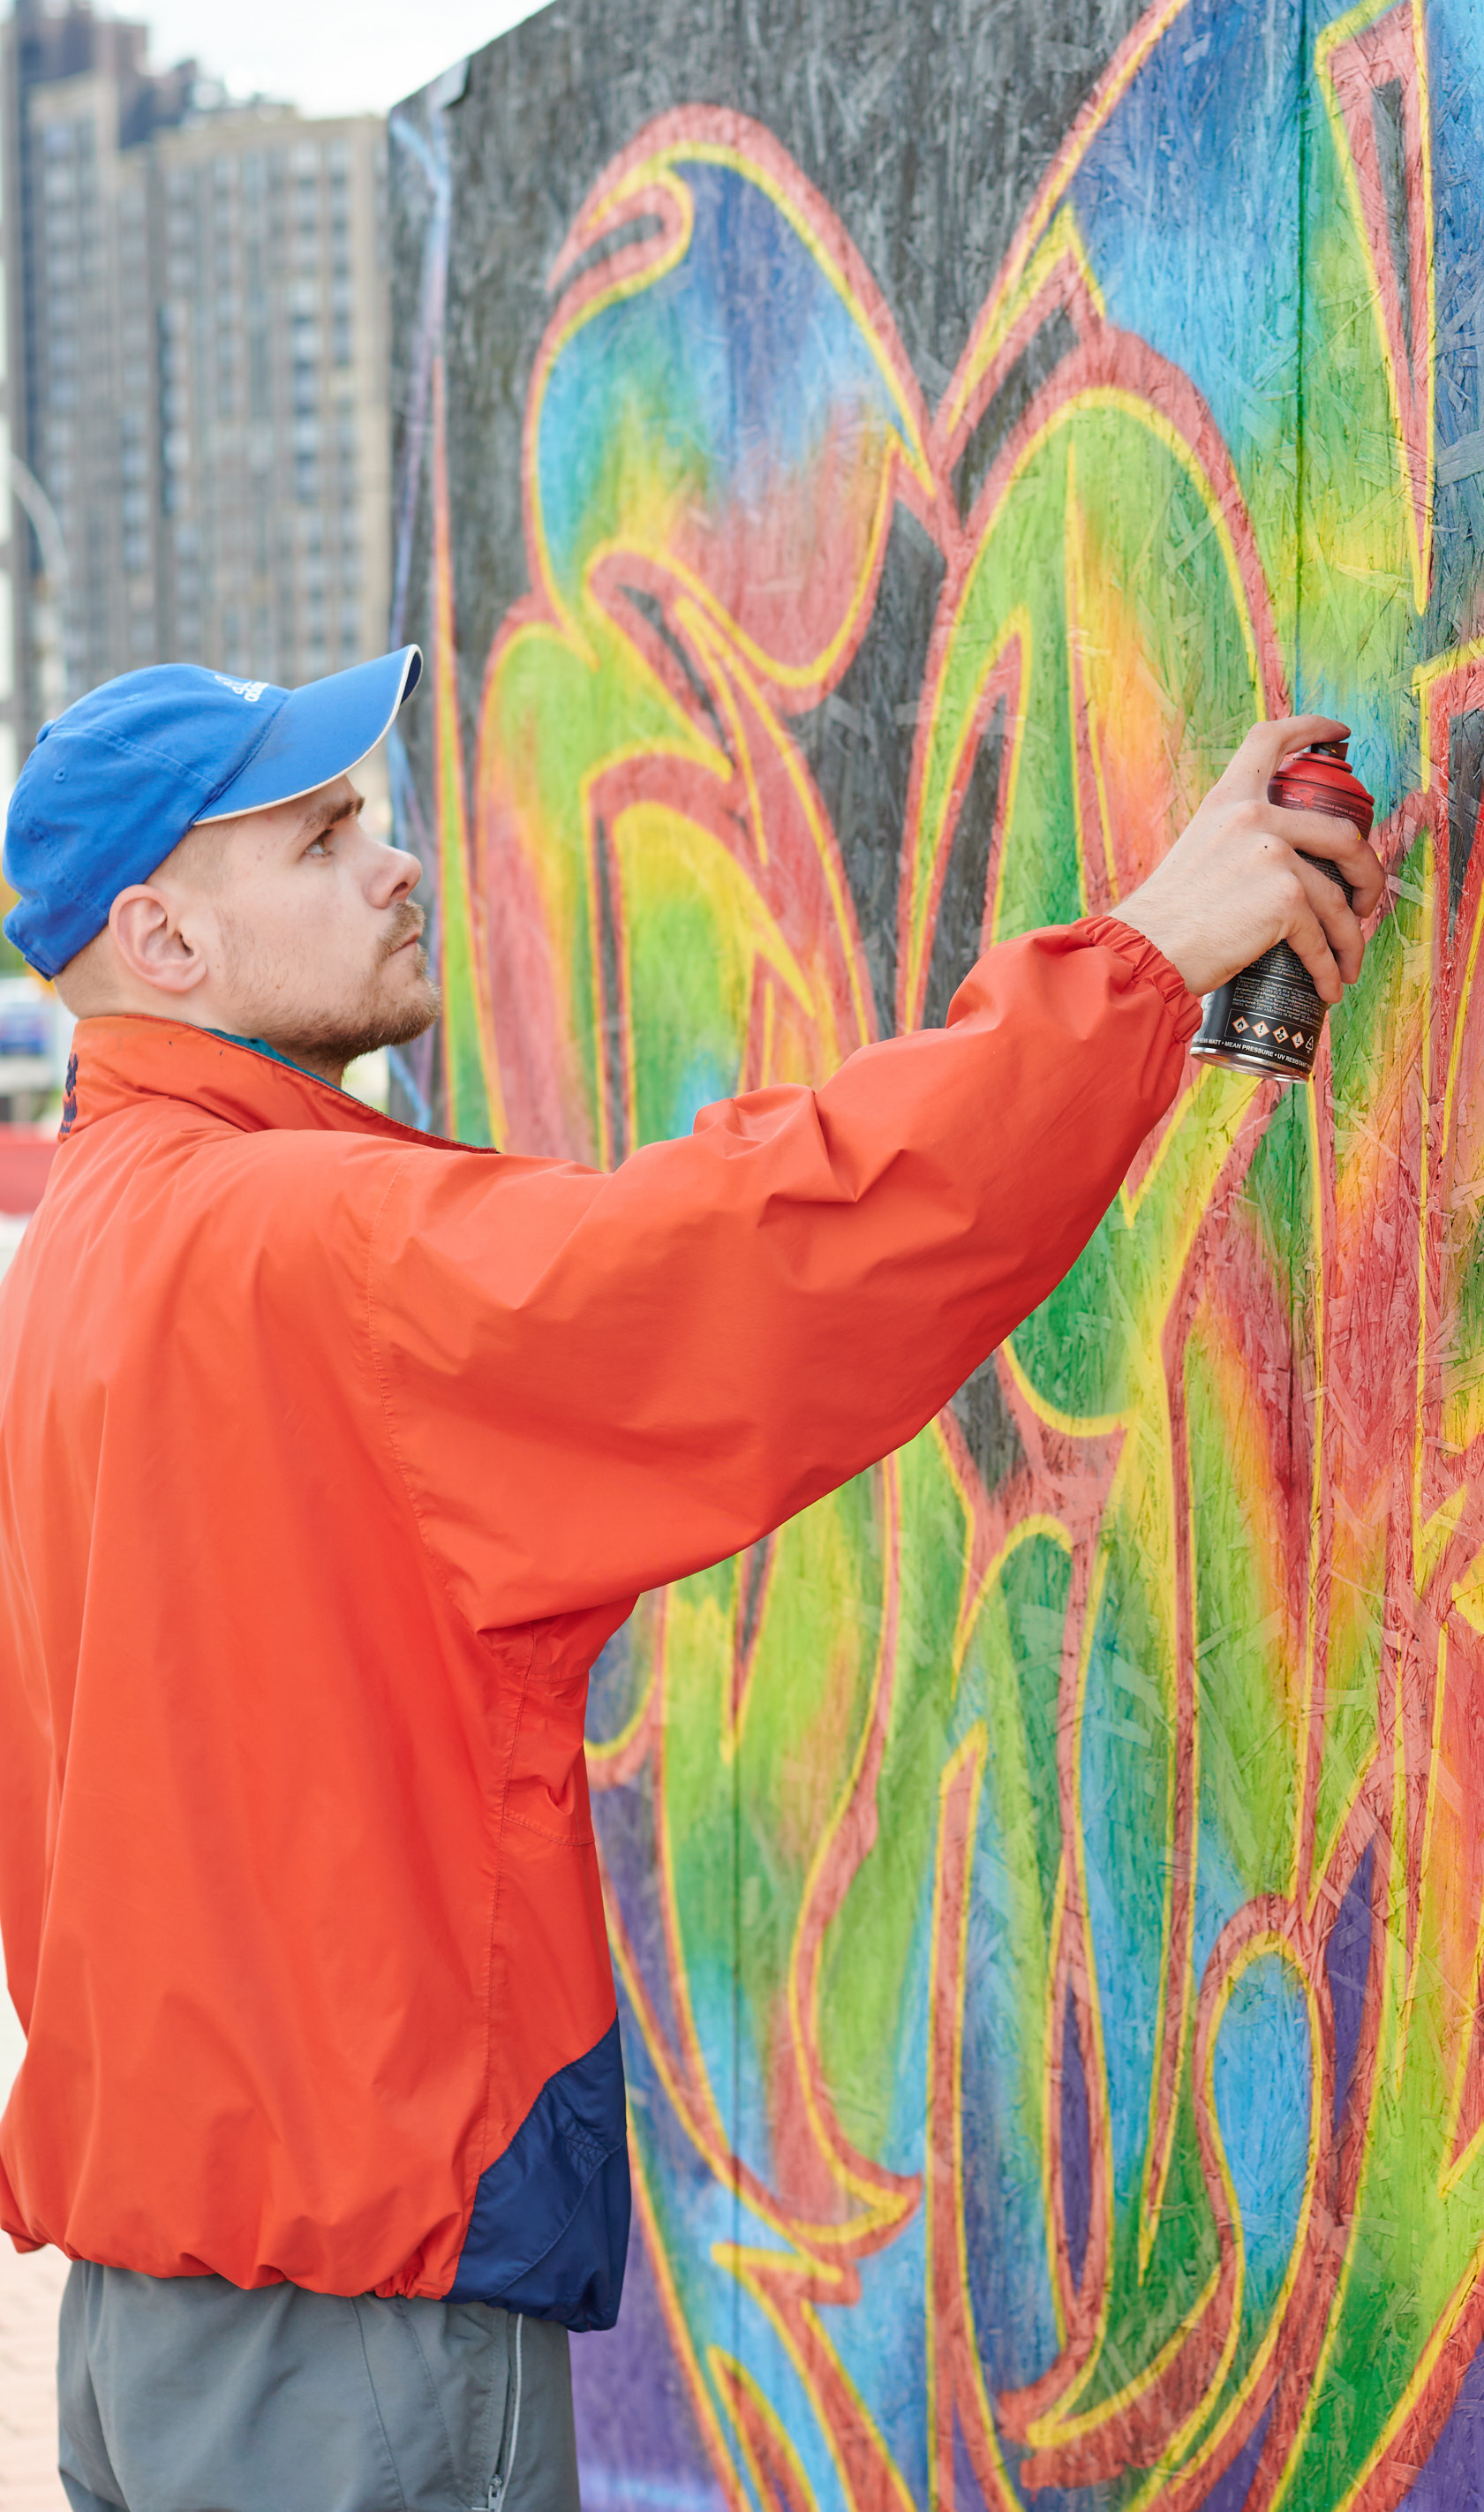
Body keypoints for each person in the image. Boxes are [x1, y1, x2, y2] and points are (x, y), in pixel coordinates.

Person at [0, 650, 1382, 2511]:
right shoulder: (290, 1246)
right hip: (347, 2324)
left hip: (164, 2315)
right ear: (161, 942)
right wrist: (1140, 961)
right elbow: (762, 1254)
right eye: (321, 840)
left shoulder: (93, 1242)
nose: (396, 861)